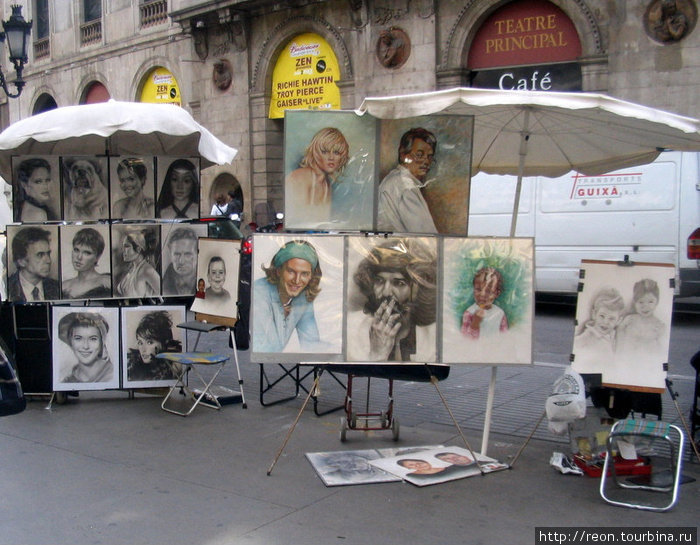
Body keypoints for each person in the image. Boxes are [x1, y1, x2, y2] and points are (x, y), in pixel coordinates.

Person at [347, 238, 437, 362]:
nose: (386, 292)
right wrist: (377, 354)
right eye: (379, 281)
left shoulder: (432, 338)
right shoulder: (351, 328)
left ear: (416, 290)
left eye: (399, 283)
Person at [253, 240, 322, 352]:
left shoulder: (303, 297)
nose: (297, 280)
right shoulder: (259, 292)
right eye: (291, 271)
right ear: (278, 271)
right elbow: (266, 347)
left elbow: (311, 343)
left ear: (311, 276)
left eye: (304, 274)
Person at [377, 128, 438, 234]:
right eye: (419, 155)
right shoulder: (405, 186)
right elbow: (425, 235)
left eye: (429, 156)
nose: (426, 161)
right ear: (403, 155)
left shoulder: (395, 178)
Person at [285, 127, 349, 225]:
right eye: (325, 152)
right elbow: (295, 222)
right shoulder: (300, 177)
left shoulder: (326, 184)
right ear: (315, 153)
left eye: (336, 152)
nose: (331, 157)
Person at [574, 286, 625, 372]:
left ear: (618, 321)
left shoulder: (613, 336)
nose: (605, 322)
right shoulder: (586, 337)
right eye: (602, 316)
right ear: (594, 314)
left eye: (611, 319)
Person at [8, 226, 60, 302]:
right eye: (40, 255)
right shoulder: (7, 288)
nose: (48, 260)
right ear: (21, 261)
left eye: (48, 254)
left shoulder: (57, 287)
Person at [58, 312, 113, 383]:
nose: (85, 346)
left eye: (93, 339)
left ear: (102, 342)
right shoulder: (67, 382)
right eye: (78, 338)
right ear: (70, 342)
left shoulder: (112, 375)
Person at [127, 311, 182, 382]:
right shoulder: (132, 367)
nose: (143, 350)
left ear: (164, 342)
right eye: (140, 343)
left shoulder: (175, 368)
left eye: (149, 342)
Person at [616, 279, 666, 354]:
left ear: (657, 302)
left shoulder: (659, 325)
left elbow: (660, 351)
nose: (645, 306)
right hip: (627, 359)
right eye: (641, 302)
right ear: (635, 302)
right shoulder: (629, 320)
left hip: (646, 361)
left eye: (650, 302)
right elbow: (619, 340)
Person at [61, 227, 111, 299]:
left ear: (97, 257)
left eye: (87, 253)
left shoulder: (106, 282)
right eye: (76, 250)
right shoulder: (64, 286)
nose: (79, 257)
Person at [461, 267, 508, 339]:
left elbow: (505, 337)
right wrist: (475, 324)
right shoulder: (469, 313)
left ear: (497, 294)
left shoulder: (500, 313)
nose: (482, 294)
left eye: (488, 291)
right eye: (478, 289)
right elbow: (465, 340)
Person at [115, 228, 160, 298]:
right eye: (123, 247)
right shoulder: (131, 269)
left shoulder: (147, 270)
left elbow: (163, 294)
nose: (123, 251)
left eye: (126, 246)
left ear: (138, 249)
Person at [15, 157, 59, 222]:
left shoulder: (24, 206)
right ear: (24, 185)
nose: (45, 186)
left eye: (47, 180)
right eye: (38, 181)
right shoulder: (38, 214)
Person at [162, 227, 198, 296]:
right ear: (170, 253)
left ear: (197, 253)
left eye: (188, 254)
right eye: (177, 254)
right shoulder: (161, 285)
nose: (181, 261)